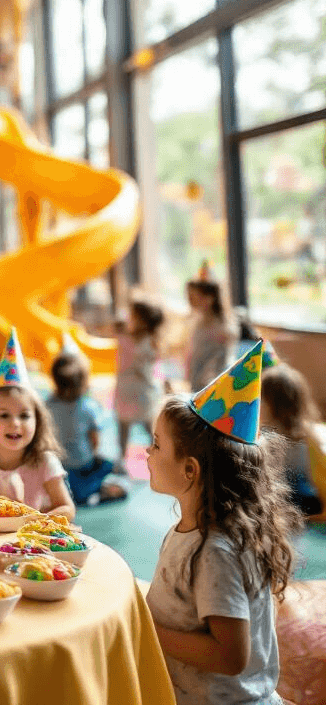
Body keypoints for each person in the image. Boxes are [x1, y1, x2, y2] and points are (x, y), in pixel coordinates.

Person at [145, 360, 300, 705]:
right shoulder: (195, 531)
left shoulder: (216, 551)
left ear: (189, 470)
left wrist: (146, 630)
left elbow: (230, 656)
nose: (147, 452)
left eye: (156, 444)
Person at [0, 347, 75, 519]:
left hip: (27, 542)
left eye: (24, 415)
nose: (15, 423)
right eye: (4, 415)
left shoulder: (45, 463)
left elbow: (67, 508)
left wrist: (34, 521)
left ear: (37, 422)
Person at [48, 351, 126, 505]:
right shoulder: (89, 407)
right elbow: (95, 441)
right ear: (83, 381)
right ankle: (93, 490)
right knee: (112, 466)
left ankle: (74, 490)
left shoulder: (47, 405)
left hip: (57, 466)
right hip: (82, 464)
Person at [261, 362, 323, 517]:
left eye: (261, 400)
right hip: (307, 499)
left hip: (284, 501)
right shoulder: (308, 431)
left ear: (273, 404)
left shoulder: (269, 437)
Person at [114, 298, 166, 468]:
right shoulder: (124, 335)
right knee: (123, 425)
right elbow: (115, 325)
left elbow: (149, 364)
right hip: (125, 388)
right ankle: (121, 458)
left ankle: (161, 454)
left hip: (142, 389)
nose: (129, 318)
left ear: (143, 321)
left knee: (147, 424)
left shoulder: (150, 341)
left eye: (133, 316)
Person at [184, 276, 237, 394]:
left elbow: (222, 361)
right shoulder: (199, 322)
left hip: (211, 386)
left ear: (210, 298)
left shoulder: (223, 328)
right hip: (197, 382)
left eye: (195, 296)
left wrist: (209, 381)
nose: (190, 300)